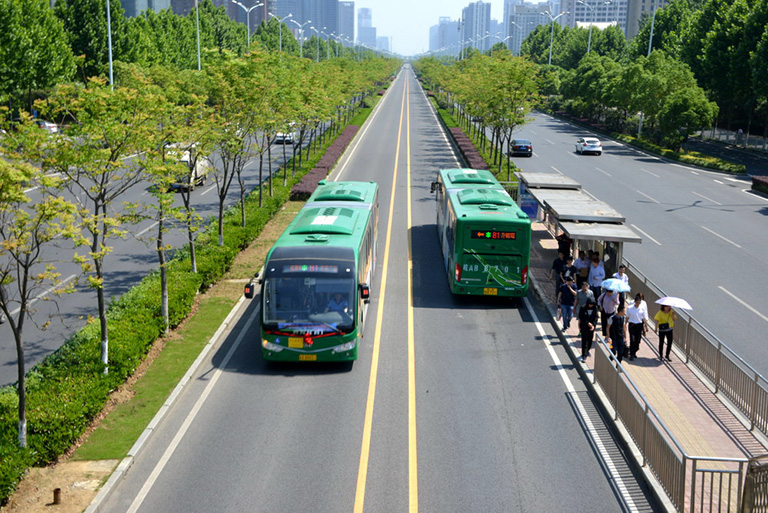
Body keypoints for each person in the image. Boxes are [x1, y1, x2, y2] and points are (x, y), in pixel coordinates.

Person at [626, 294, 649, 360]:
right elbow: (627, 317)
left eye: (639, 302)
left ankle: (634, 351)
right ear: (635, 302)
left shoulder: (642, 309)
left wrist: (646, 327)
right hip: (632, 325)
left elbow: (644, 318)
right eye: (637, 302)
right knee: (632, 340)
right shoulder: (630, 308)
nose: (637, 304)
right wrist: (625, 325)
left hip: (639, 325)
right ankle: (632, 355)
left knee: (637, 340)